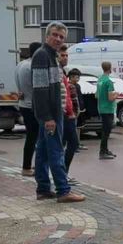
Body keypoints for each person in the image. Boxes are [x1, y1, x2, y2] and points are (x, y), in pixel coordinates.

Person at [31, 21, 84, 203]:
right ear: (47, 36)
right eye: (55, 35)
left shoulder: (52, 56)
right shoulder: (42, 55)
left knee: (44, 150)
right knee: (56, 151)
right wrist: (48, 117)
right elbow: (40, 89)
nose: (58, 39)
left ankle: (43, 189)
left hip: (54, 113)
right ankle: (63, 190)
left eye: (61, 37)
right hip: (51, 115)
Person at [16, 42, 42, 176]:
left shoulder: (20, 64)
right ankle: (27, 167)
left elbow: (18, 84)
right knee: (34, 138)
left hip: (23, 104)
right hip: (33, 106)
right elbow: (38, 87)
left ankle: (28, 165)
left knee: (31, 137)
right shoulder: (33, 66)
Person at [58, 46, 80, 185]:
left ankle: (62, 174)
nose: (65, 57)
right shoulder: (59, 73)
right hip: (65, 115)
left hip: (67, 114)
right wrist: (70, 113)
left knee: (63, 144)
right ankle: (62, 174)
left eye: (67, 55)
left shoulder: (63, 72)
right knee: (72, 143)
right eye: (62, 55)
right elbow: (64, 98)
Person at [96, 61, 117, 160]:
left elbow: (96, 95)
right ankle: (102, 151)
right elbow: (110, 98)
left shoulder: (99, 80)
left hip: (101, 108)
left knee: (105, 130)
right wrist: (116, 94)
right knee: (106, 131)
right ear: (110, 68)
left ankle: (105, 149)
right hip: (108, 109)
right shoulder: (109, 81)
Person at [68, 68, 86, 154]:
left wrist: (81, 108)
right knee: (73, 129)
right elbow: (72, 99)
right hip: (73, 110)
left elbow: (80, 97)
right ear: (71, 77)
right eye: (76, 77)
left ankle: (77, 143)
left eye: (78, 77)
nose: (77, 79)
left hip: (79, 110)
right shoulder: (69, 86)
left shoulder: (78, 86)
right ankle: (73, 146)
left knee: (78, 128)